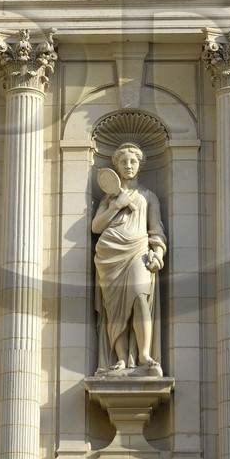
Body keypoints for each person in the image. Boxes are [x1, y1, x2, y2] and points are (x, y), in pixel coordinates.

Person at [91, 143, 166, 376]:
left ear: (140, 165)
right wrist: (117, 205)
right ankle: (121, 358)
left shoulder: (148, 196)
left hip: (138, 251)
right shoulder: (109, 197)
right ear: (117, 166)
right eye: (123, 162)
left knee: (139, 297)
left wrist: (159, 254)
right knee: (114, 309)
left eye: (133, 161)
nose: (128, 165)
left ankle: (144, 355)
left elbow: (156, 230)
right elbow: (96, 226)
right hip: (109, 254)